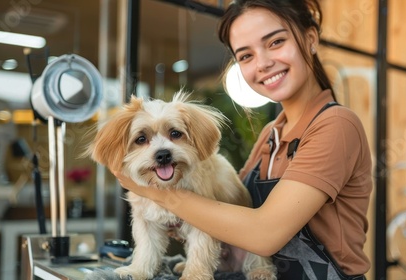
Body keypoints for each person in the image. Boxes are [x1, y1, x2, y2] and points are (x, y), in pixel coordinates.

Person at [113, 0, 373, 279]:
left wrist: (152, 193)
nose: (263, 63)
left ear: (310, 39)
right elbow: (230, 212)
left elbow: (264, 234)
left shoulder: (335, 125)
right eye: (246, 56)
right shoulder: (272, 134)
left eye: (275, 42)